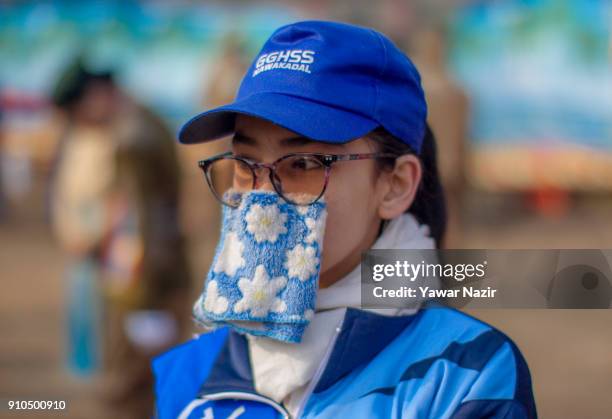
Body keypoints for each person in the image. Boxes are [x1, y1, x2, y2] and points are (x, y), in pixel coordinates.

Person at [152, 21, 537, 418]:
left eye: (303, 163)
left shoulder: (464, 376)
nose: (261, 200)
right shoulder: (184, 375)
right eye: (245, 165)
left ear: (395, 185)